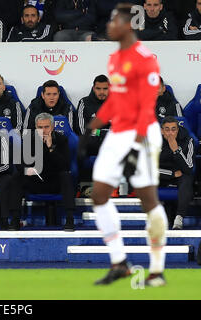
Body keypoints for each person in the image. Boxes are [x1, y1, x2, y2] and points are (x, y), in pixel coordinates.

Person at [78, 4, 167, 286]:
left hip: (142, 133)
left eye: (113, 22)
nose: (108, 26)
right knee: (100, 194)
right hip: (118, 132)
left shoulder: (145, 59)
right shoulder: (115, 58)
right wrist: (90, 128)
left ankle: (156, 268)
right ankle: (120, 263)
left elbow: (146, 106)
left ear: (127, 25)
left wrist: (136, 144)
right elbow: (116, 100)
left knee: (147, 199)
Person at [12, 113, 76, 230]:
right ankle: (15, 220)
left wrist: (51, 148)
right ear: (36, 127)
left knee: (66, 176)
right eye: (40, 127)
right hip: (35, 181)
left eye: (46, 127)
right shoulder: (28, 140)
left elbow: (65, 165)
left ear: (52, 127)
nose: (43, 130)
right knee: (17, 177)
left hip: (54, 182)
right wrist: (28, 170)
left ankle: (70, 219)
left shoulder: (61, 140)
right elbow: (19, 164)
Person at [159, 116, 195, 230]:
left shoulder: (188, 141)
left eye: (173, 129)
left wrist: (176, 150)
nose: (170, 133)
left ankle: (179, 218)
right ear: (161, 130)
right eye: (167, 129)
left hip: (182, 174)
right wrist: (171, 174)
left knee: (187, 178)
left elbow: (189, 168)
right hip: (163, 174)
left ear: (178, 130)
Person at [75, 75, 110, 156]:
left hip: (111, 144)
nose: (102, 92)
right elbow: (82, 130)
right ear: (94, 88)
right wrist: (101, 133)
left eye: (105, 89)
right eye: (98, 88)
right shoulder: (84, 102)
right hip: (91, 145)